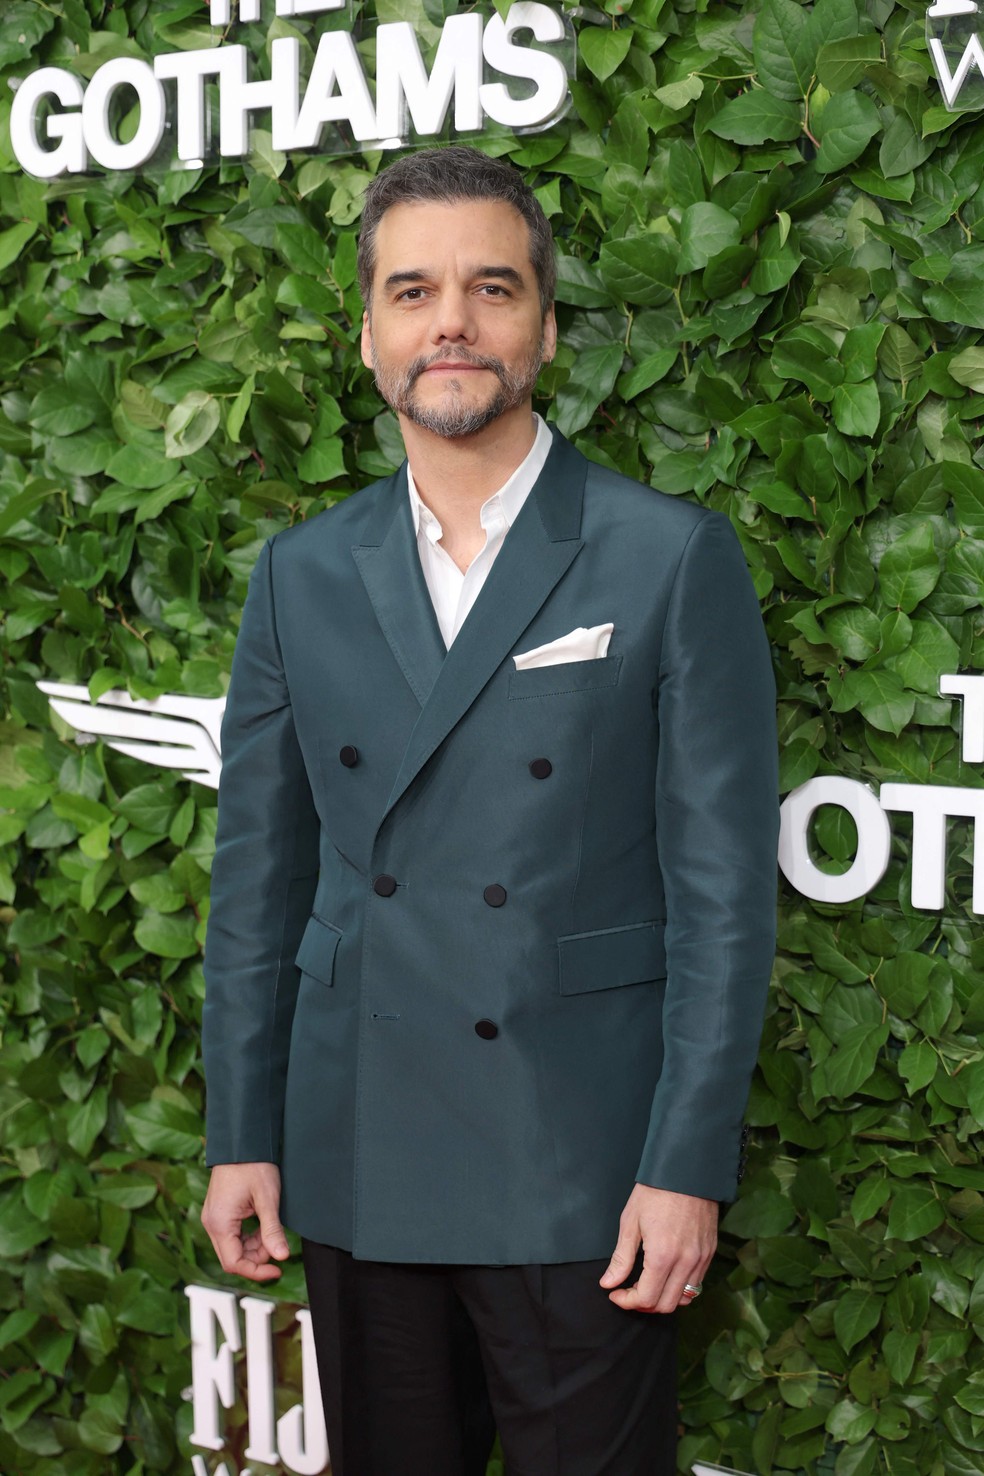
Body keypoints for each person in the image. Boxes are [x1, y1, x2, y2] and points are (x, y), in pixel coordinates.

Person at [200, 144, 778, 1476]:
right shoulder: (300, 574)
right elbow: (259, 886)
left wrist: (685, 1166)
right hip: (360, 1150)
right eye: (412, 290)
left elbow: (722, 900)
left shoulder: (668, 555)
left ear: (545, 329)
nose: (450, 319)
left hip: (580, 1164)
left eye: (490, 287)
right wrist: (243, 1133)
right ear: (368, 336)